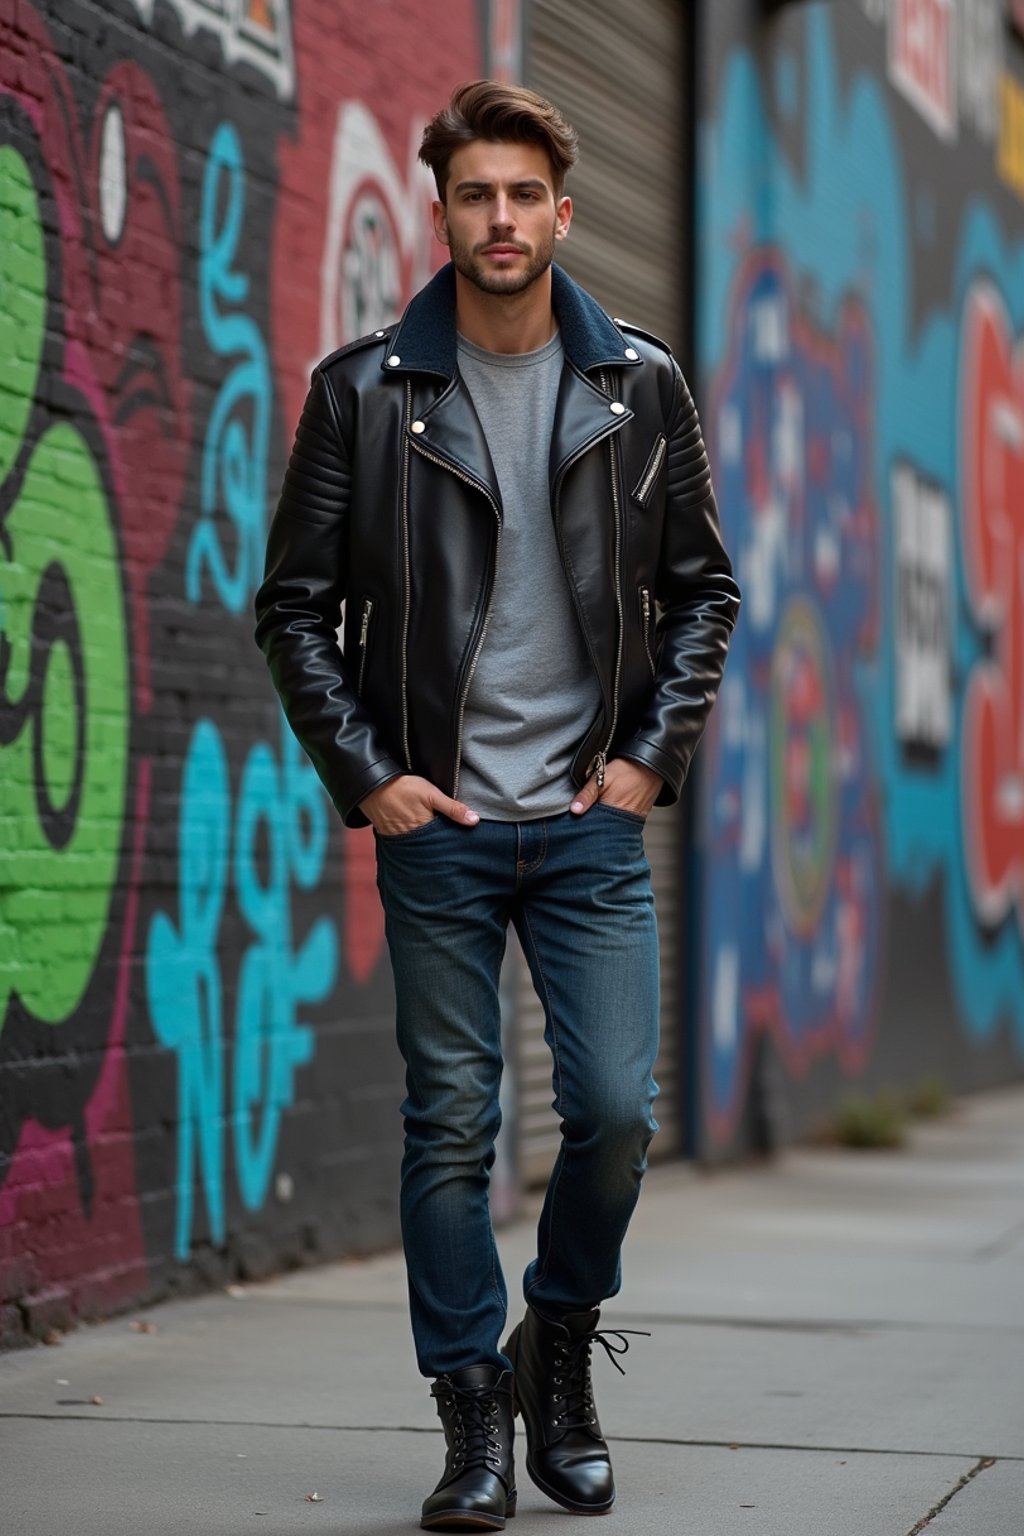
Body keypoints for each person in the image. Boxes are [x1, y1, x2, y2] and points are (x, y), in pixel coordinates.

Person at [255, 79, 740, 1532]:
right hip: (444, 828)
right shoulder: (363, 392)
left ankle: (562, 1345)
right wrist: (371, 777)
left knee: (610, 1117)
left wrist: (650, 757)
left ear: (563, 213)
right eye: (477, 195)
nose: (502, 218)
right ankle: (474, 1419)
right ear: (445, 211)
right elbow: (293, 608)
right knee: (452, 1121)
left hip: (590, 819)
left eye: (525, 194)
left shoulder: (640, 384)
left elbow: (705, 588)